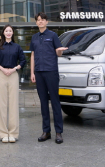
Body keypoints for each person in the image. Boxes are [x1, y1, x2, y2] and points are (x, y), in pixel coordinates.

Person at [30, 12, 67, 144]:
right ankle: (46, 131)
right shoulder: (34, 37)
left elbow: (58, 52)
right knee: (43, 103)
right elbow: (33, 55)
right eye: (38, 20)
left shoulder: (52, 35)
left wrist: (60, 50)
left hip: (51, 72)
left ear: (46, 22)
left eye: (42, 20)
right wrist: (32, 72)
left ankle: (58, 132)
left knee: (55, 102)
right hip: (39, 73)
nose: (40, 22)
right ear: (36, 22)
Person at [0, 25, 26, 143]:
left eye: (10, 31)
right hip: (2, 74)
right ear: (3, 33)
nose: (8, 32)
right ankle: (3, 133)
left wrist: (14, 69)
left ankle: (13, 133)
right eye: (6, 31)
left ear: (13, 33)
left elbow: (23, 60)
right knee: (2, 104)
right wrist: (3, 69)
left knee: (13, 103)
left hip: (13, 74)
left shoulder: (17, 47)